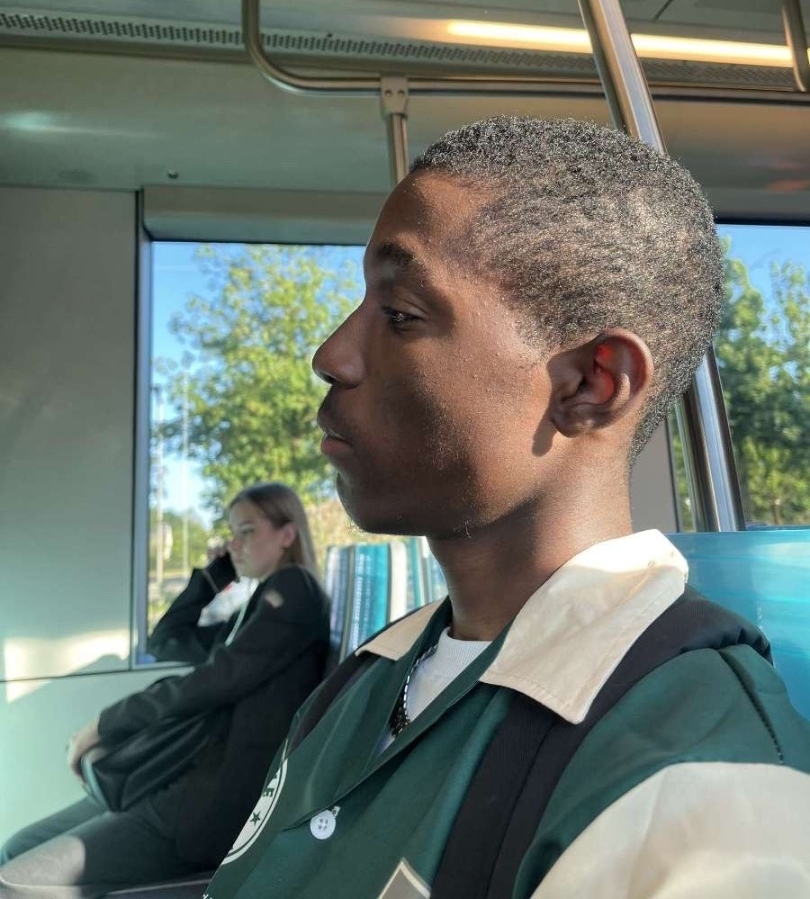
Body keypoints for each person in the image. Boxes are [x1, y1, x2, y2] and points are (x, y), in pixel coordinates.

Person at [205, 116, 810, 899]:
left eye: (401, 315)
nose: (332, 355)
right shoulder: (365, 681)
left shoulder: (701, 787)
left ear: (590, 385)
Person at [0, 482, 330, 897]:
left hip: (203, 806)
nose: (234, 544)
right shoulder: (255, 605)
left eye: (246, 531)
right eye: (232, 533)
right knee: (16, 847)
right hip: (174, 778)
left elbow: (216, 680)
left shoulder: (295, 590)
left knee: (12, 882)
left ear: (287, 534)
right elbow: (167, 640)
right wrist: (213, 577)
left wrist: (104, 724)